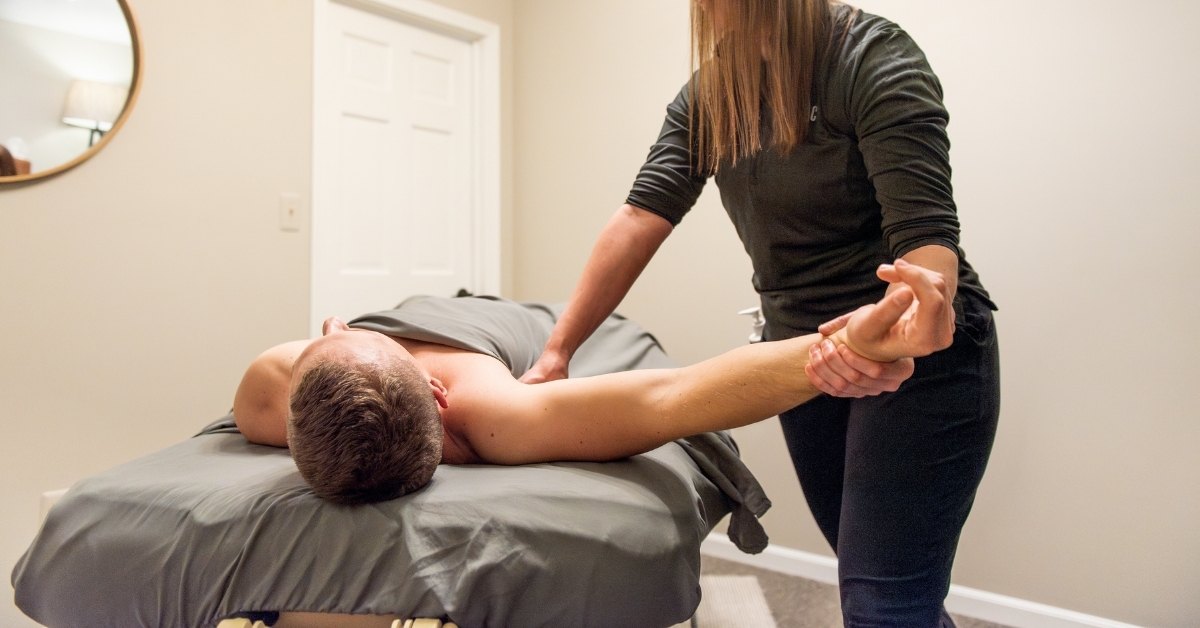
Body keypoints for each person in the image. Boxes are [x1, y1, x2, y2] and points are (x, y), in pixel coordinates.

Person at [519, 2, 1000, 626]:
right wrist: (557, 354)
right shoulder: (715, 94)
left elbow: (927, 239)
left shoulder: (869, 56)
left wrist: (910, 319)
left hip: (916, 360)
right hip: (802, 359)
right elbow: (642, 215)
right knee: (877, 581)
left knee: (883, 602)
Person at [233, 260, 945, 508]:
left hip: (479, 324)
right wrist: (849, 345)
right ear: (436, 394)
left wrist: (330, 345)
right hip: (473, 330)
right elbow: (673, 397)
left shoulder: (264, 393)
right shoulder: (491, 416)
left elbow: (673, 397)